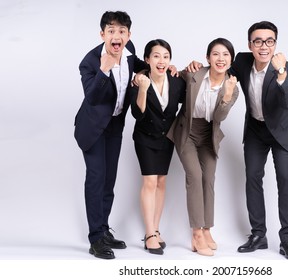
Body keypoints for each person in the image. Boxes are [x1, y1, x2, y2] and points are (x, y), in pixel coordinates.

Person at [74, 11, 149, 259]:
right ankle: (95, 238)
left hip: (115, 127)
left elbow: (140, 65)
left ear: (128, 35)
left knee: (109, 181)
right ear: (102, 34)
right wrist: (103, 71)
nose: (117, 36)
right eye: (111, 31)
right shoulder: (90, 62)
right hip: (93, 129)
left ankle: (104, 229)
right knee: (96, 180)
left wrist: (156, 69)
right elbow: (92, 99)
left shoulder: (129, 52)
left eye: (122, 31)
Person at [230, 21, 288, 260]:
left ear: (275, 44)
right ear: (250, 44)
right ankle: (258, 235)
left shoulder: (287, 69)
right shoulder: (241, 62)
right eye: (258, 41)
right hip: (255, 130)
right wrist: (196, 67)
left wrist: (281, 72)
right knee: (252, 177)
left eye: (269, 41)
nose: (264, 46)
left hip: (282, 132)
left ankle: (287, 240)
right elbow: (218, 67)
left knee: (284, 179)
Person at [167, 38, 239, 256]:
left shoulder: (232, 87)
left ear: (231, 60)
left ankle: (207, 229)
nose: (220, 59)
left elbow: (219, 116)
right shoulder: (194, 74)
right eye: (216, 54)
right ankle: (196, 233)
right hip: (187, 131)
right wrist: (171, 67)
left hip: (209, 135)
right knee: (195, 176)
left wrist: (226, 94)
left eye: (226, 55)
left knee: (209, 179)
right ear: (208, 57)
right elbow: (172, 77)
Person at [130, 39, 186, 255]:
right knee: (150, 181)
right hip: (145, 138)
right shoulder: (138, 82)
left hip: (166, 139)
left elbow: (189, 95)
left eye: (165, 56)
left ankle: (155, 229)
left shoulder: (176, 81)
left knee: (161, 182)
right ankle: (149, 234)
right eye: (156, 56)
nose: (161, 61)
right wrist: (143, 89)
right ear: (147, 59)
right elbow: (138, 114)